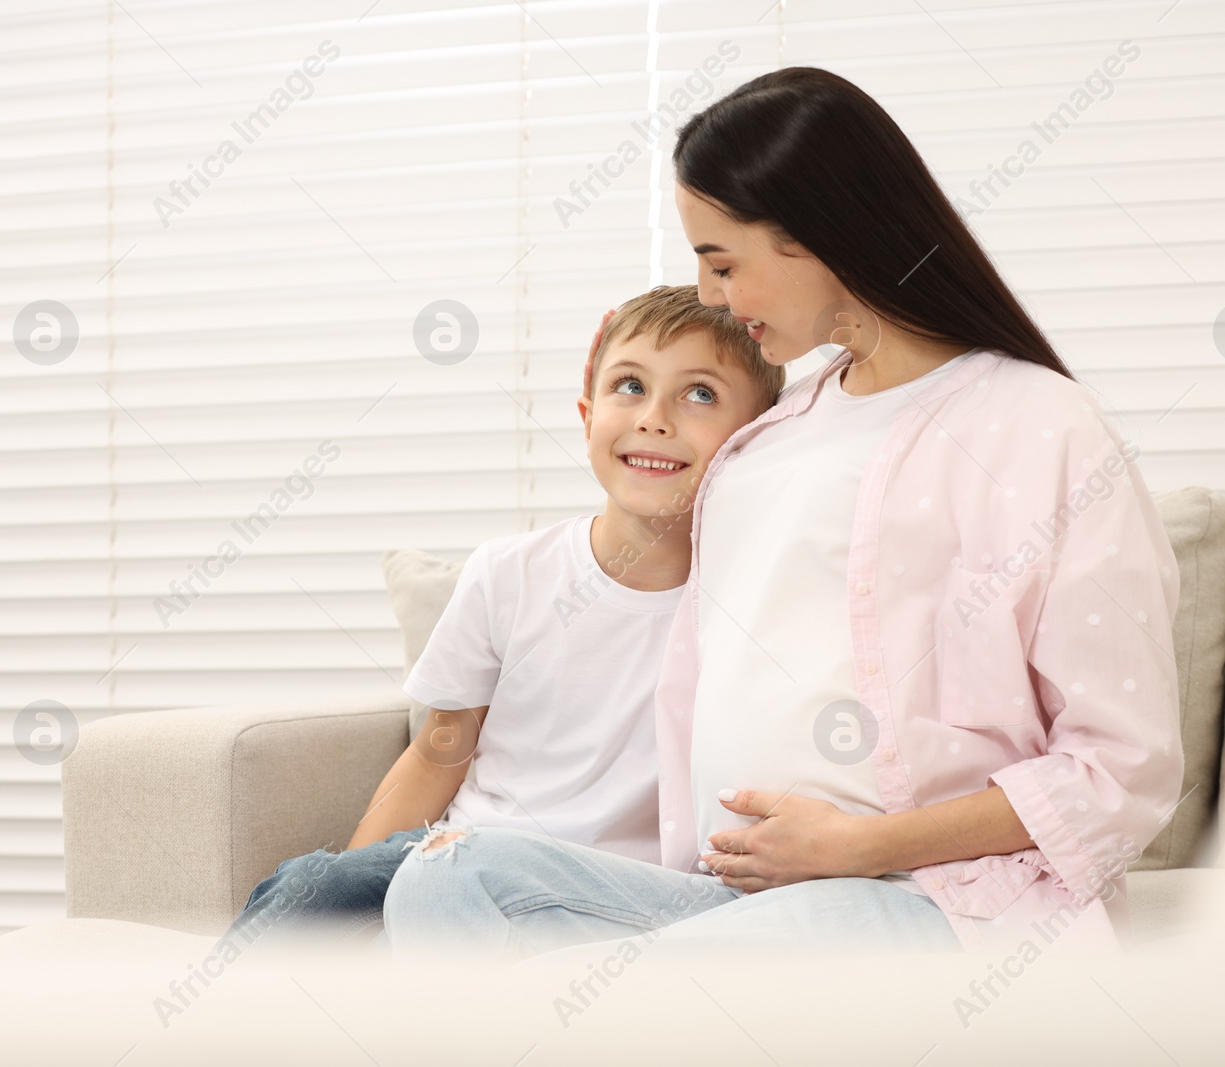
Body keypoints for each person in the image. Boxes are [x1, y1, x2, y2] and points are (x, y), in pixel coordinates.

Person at [382, 67, 1184, 958]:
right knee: (444, 880)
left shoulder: (1038, 424)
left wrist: (858, 847)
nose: (712, 295)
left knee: (627, 984)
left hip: (943, 903)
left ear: (818, 236)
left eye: (722, 262)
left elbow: (1123, 774)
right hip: (732, 900)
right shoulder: (763, 445)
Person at [221, 285, 782, 948]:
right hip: (463, 853)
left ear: (753, 438)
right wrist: (352, 881)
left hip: (606, 888)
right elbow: (436, 757)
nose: (654, 417)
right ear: (586, 413)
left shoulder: (757, 600)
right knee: (309, 885)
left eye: (700, 394)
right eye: (629, 385)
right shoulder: (509, 573)